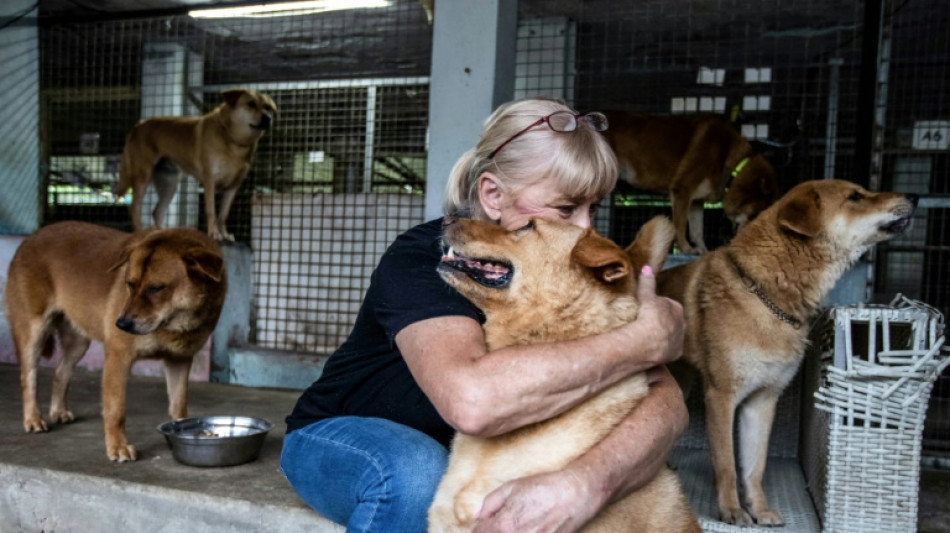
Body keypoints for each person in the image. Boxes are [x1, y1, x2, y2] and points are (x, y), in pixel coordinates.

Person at [280, 97, 688, 533]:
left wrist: (584, 484)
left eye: (594, 208)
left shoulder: (571, 270)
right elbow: (472, 404)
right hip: (344, 435)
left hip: (473, 454)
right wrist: (638, 342)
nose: (585, 229)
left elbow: (668, 406)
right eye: (566, 209)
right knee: (418, 474)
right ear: (493, 194)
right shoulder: (425, 257)